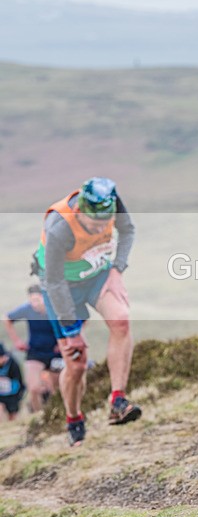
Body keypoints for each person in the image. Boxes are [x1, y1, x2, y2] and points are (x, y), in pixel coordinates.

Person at [35, 177, 141, 446]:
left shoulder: (112, 202)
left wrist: (117, 269)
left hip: (96, 275)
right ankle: (74, 418)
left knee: (121, 321)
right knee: (77, 362)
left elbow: (127, 230)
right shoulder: (59, 226)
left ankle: (118, 401)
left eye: (103, 224)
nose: (98, 230)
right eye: (93, 224)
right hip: (61, 287)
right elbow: (55, 281)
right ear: (81, 210)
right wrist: (71, 330)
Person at [3, 284, 62, 412]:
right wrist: (17, 341)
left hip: (55, 353)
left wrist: (64, 342)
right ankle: (39, 416)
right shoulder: (27, 309)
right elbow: (7, 318)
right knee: (33, 388)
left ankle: (58, 413)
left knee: (57, 389)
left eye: (36, 300)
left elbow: (81, 320)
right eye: (31, 300)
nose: (34, 303)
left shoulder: (56, 308)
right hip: (35, 352)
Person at [0, 343, 25, 422]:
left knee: (13, 414)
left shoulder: (13, 364)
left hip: (12, 393)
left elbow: (19, 382)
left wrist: (18, 397)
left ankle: (12, 425)